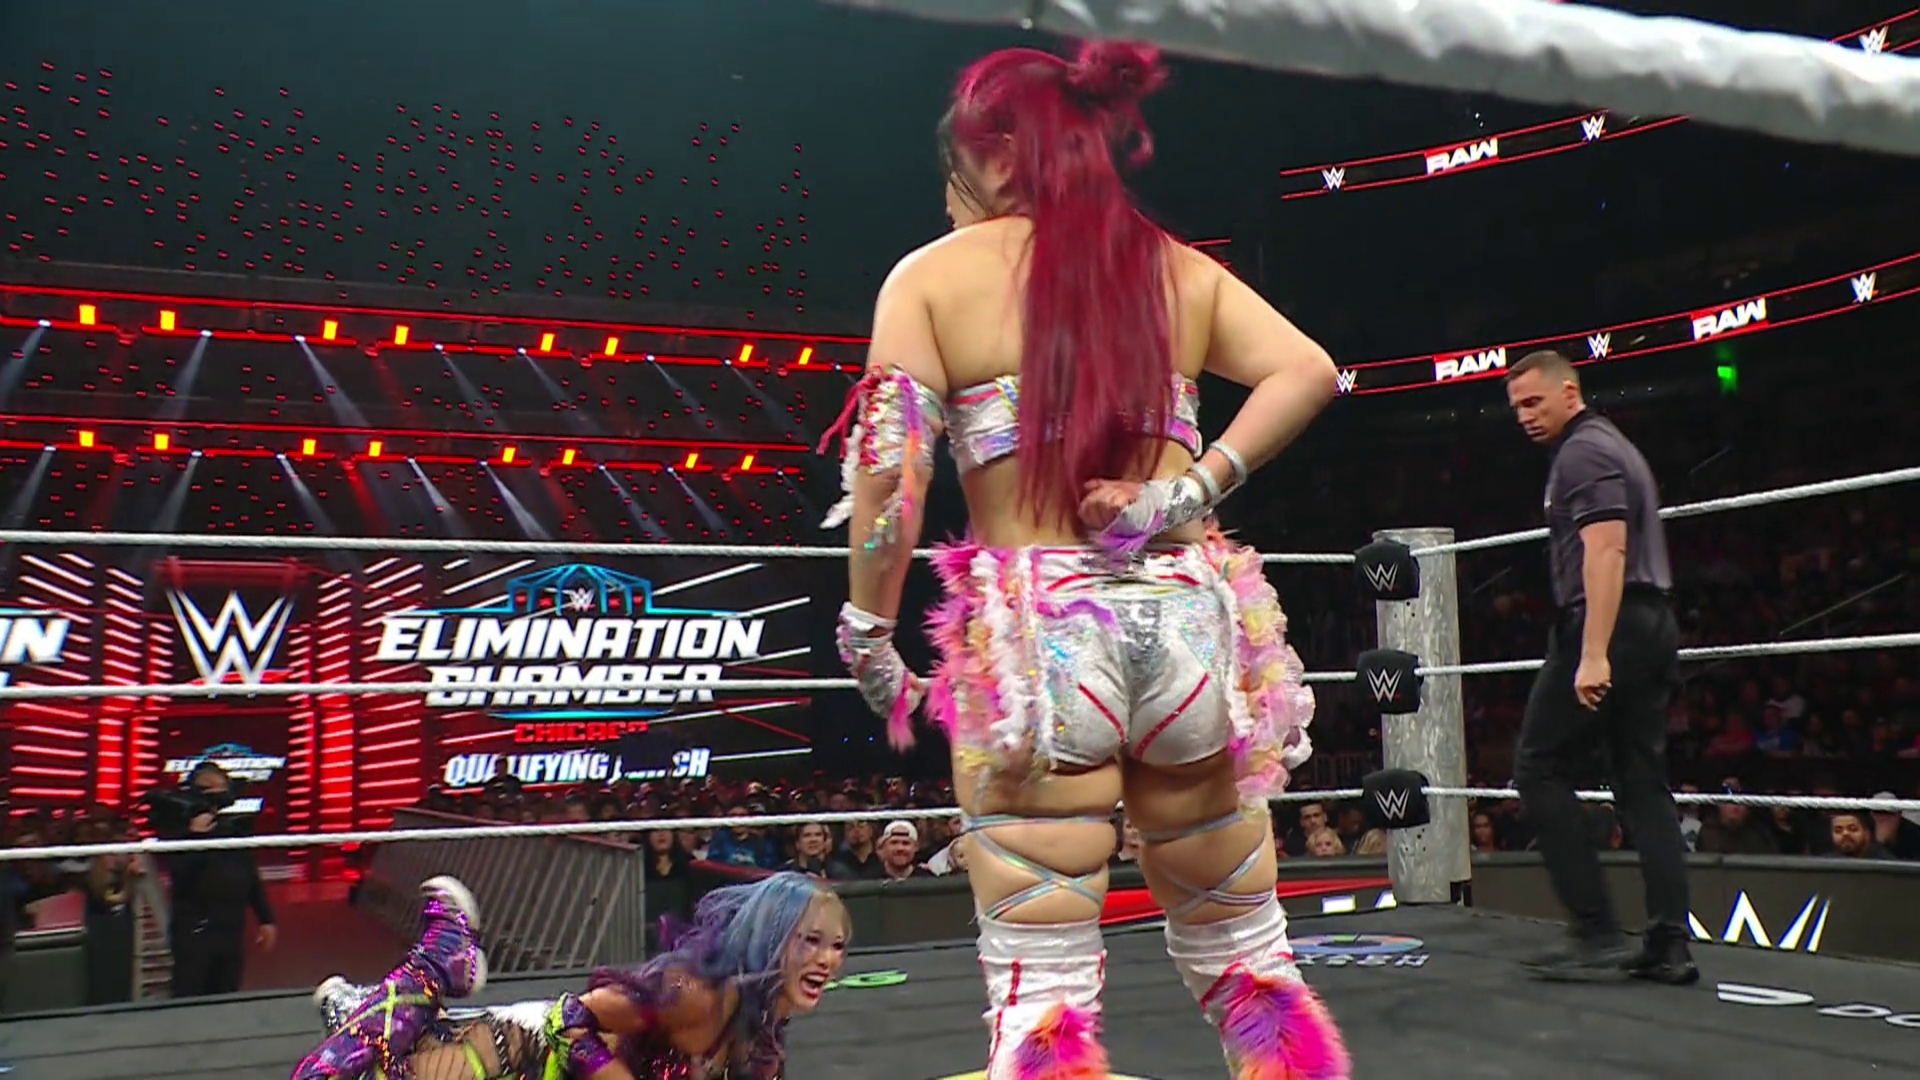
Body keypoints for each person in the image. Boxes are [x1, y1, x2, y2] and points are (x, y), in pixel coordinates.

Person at [821, 41, 1347, 1080]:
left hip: (1040, 642)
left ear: (992, 157)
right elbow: (1309, 368)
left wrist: (869, 634)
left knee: (1043, 987)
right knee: (1246, 957)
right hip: (1188, 620)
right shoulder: (1171, 265)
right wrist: (1185, 493)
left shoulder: (931, 279)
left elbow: (888, 477)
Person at [1503, 349, 1696, 985]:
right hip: (1649, 620)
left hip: (1609, 621)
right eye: (1517, 408)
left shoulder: (1583, 452)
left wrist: (1592, 652)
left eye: (1535, 402)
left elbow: (1607, 550)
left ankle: (1595, 929)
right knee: (1641, 782)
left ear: (1570, 391)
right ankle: (1669, 944)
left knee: (1538, 766)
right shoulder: (1609, 445)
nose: (1526, 417)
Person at [294, 872, 848, 1080]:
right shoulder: (694, 994)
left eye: (838, 946)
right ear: (771, 936)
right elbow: (569, 1019)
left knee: (373, 1043)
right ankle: (439, 957)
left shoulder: (764, 1033)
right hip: (519, 1053)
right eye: (811, 940)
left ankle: (359, 1005)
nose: (827, 959)